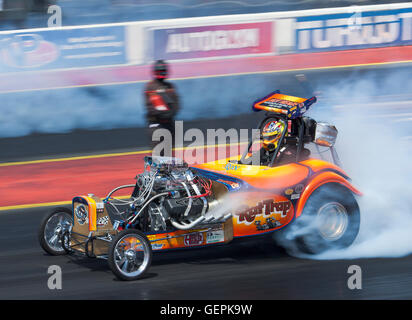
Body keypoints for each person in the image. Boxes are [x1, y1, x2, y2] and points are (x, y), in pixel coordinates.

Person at [144, 60, 180, 155]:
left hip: (169, 124)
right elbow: (151, 108)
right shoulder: (150, 87)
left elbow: (176, 105)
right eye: (160, 71)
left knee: (168, 154)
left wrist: (170, 113)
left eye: (163, 71)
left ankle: (167, 169)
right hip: (156, 125)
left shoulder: (170, 86)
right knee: (157, 153)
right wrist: (165, 113)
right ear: (155, 72)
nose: (162, 73)